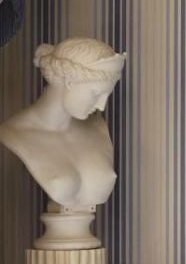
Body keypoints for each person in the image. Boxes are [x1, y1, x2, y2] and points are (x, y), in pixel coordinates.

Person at [0, 37, 126, 209]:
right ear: (69, 81)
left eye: (106, 96)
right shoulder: (13, 133)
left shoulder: (98, 126)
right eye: (96, 94)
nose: (101, 106)